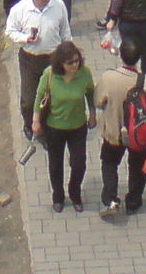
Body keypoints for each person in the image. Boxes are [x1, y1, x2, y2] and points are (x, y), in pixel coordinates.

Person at [95, 36, 146, 217]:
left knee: (109, 163)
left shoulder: (108, 78)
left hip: (113, 132)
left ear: (120, 56)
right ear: (139, 58)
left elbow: (98, 101)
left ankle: (110, 199)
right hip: (139, 136)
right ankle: (133, 201)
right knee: (138, 166)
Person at [6, 0, 72, 139]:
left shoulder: (58, 5)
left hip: (53, 59)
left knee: (53, 96)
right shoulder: (20, 10)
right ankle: (30, 125)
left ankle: (49, 128)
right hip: (30, 60)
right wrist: (25, 38)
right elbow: (10, 31)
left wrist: (69, 54)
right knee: (29, 100)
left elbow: (65, 31)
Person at [33, 40, 96, 212]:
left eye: (77, 61)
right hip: (54, 127)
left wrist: (93, 113)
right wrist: (36, 120)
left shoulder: (84, 73)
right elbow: (39, 96)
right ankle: (58, 196)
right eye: (70, 63)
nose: (75, 65)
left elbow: (90, 92)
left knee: (79, 163)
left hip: (78, 126)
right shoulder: (50, 74)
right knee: (55, 164)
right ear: (61, 63)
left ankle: (75, 193)